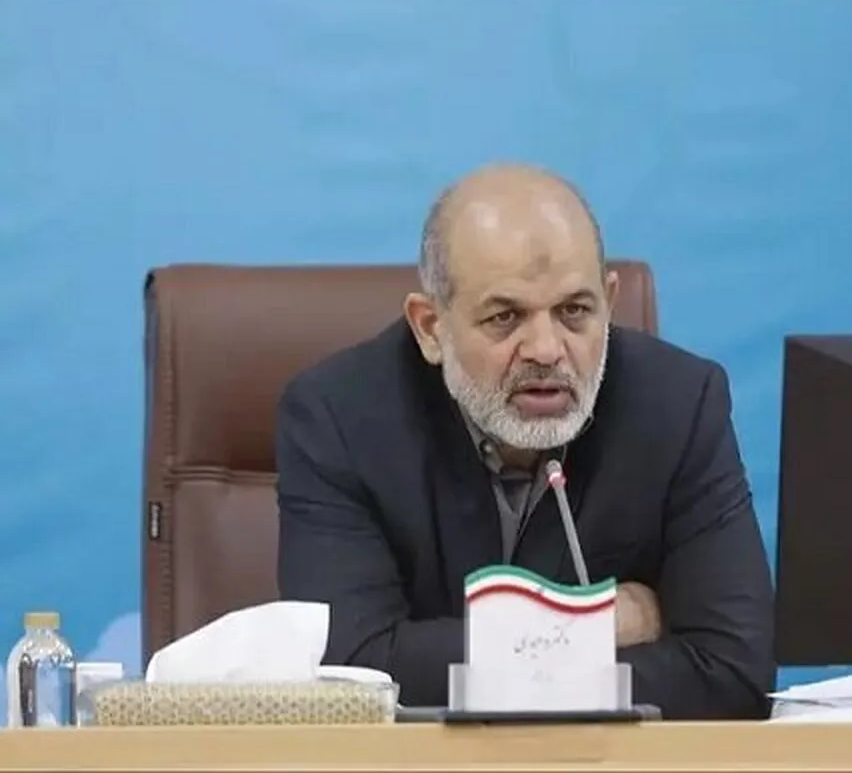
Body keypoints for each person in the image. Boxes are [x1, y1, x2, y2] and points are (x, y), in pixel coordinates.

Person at [275, 163, 776, 719]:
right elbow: (352, 673)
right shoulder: (339, 418)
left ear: (609, 303)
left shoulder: (679, 405)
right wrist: (599, 625)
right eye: (505, 317)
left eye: (574, 312)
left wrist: (490, 657)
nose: (545, 349)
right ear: (430, 327)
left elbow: (736, 671)